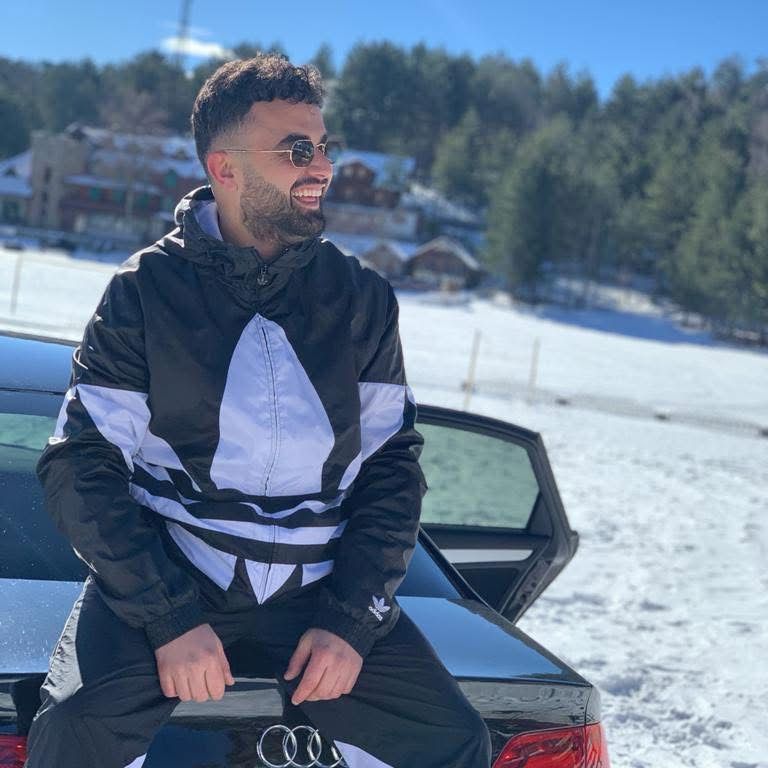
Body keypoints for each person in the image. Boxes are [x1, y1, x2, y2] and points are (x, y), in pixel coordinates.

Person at [25, 54, 491, 768]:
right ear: (226, 168)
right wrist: (168, 618)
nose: (322, 167)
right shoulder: (145, 292)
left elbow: (391, 469)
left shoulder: (361, 298)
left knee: (453, 740)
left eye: (325, 146)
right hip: (174, 576)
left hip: (320, 592)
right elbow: (79, 465)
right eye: (296, 150)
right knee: (72, 730)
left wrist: (351, 622)